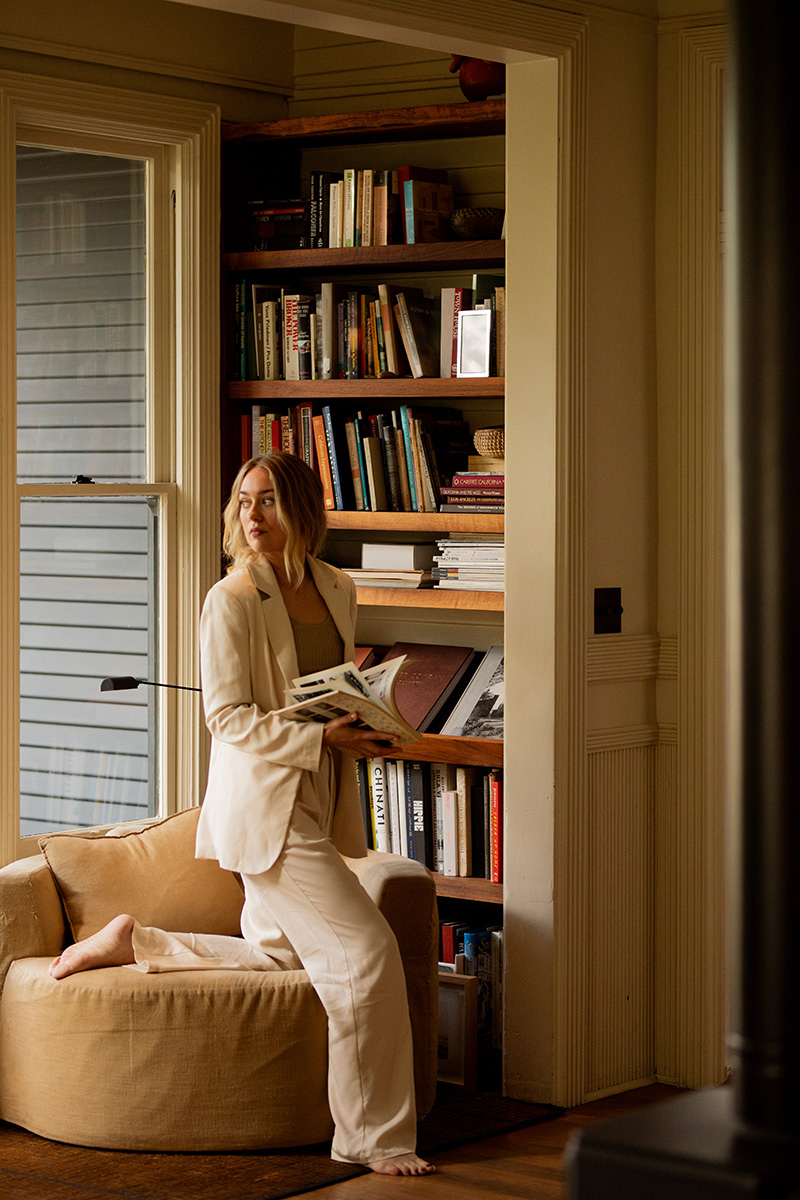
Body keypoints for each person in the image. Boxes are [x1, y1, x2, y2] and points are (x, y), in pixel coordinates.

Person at [49, 452, 435, 1178]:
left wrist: (363, 720)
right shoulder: (230, 599)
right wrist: (321, 734)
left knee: (285, 958)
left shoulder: (335, 587)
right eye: (243, 502)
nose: (252, 517)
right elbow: (227, 719)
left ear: (302, 512)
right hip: (268, 811)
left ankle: (139, 943)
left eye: (268, 503)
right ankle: (372, 1138)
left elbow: (326, 687)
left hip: (319, 796)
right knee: (365, 955)